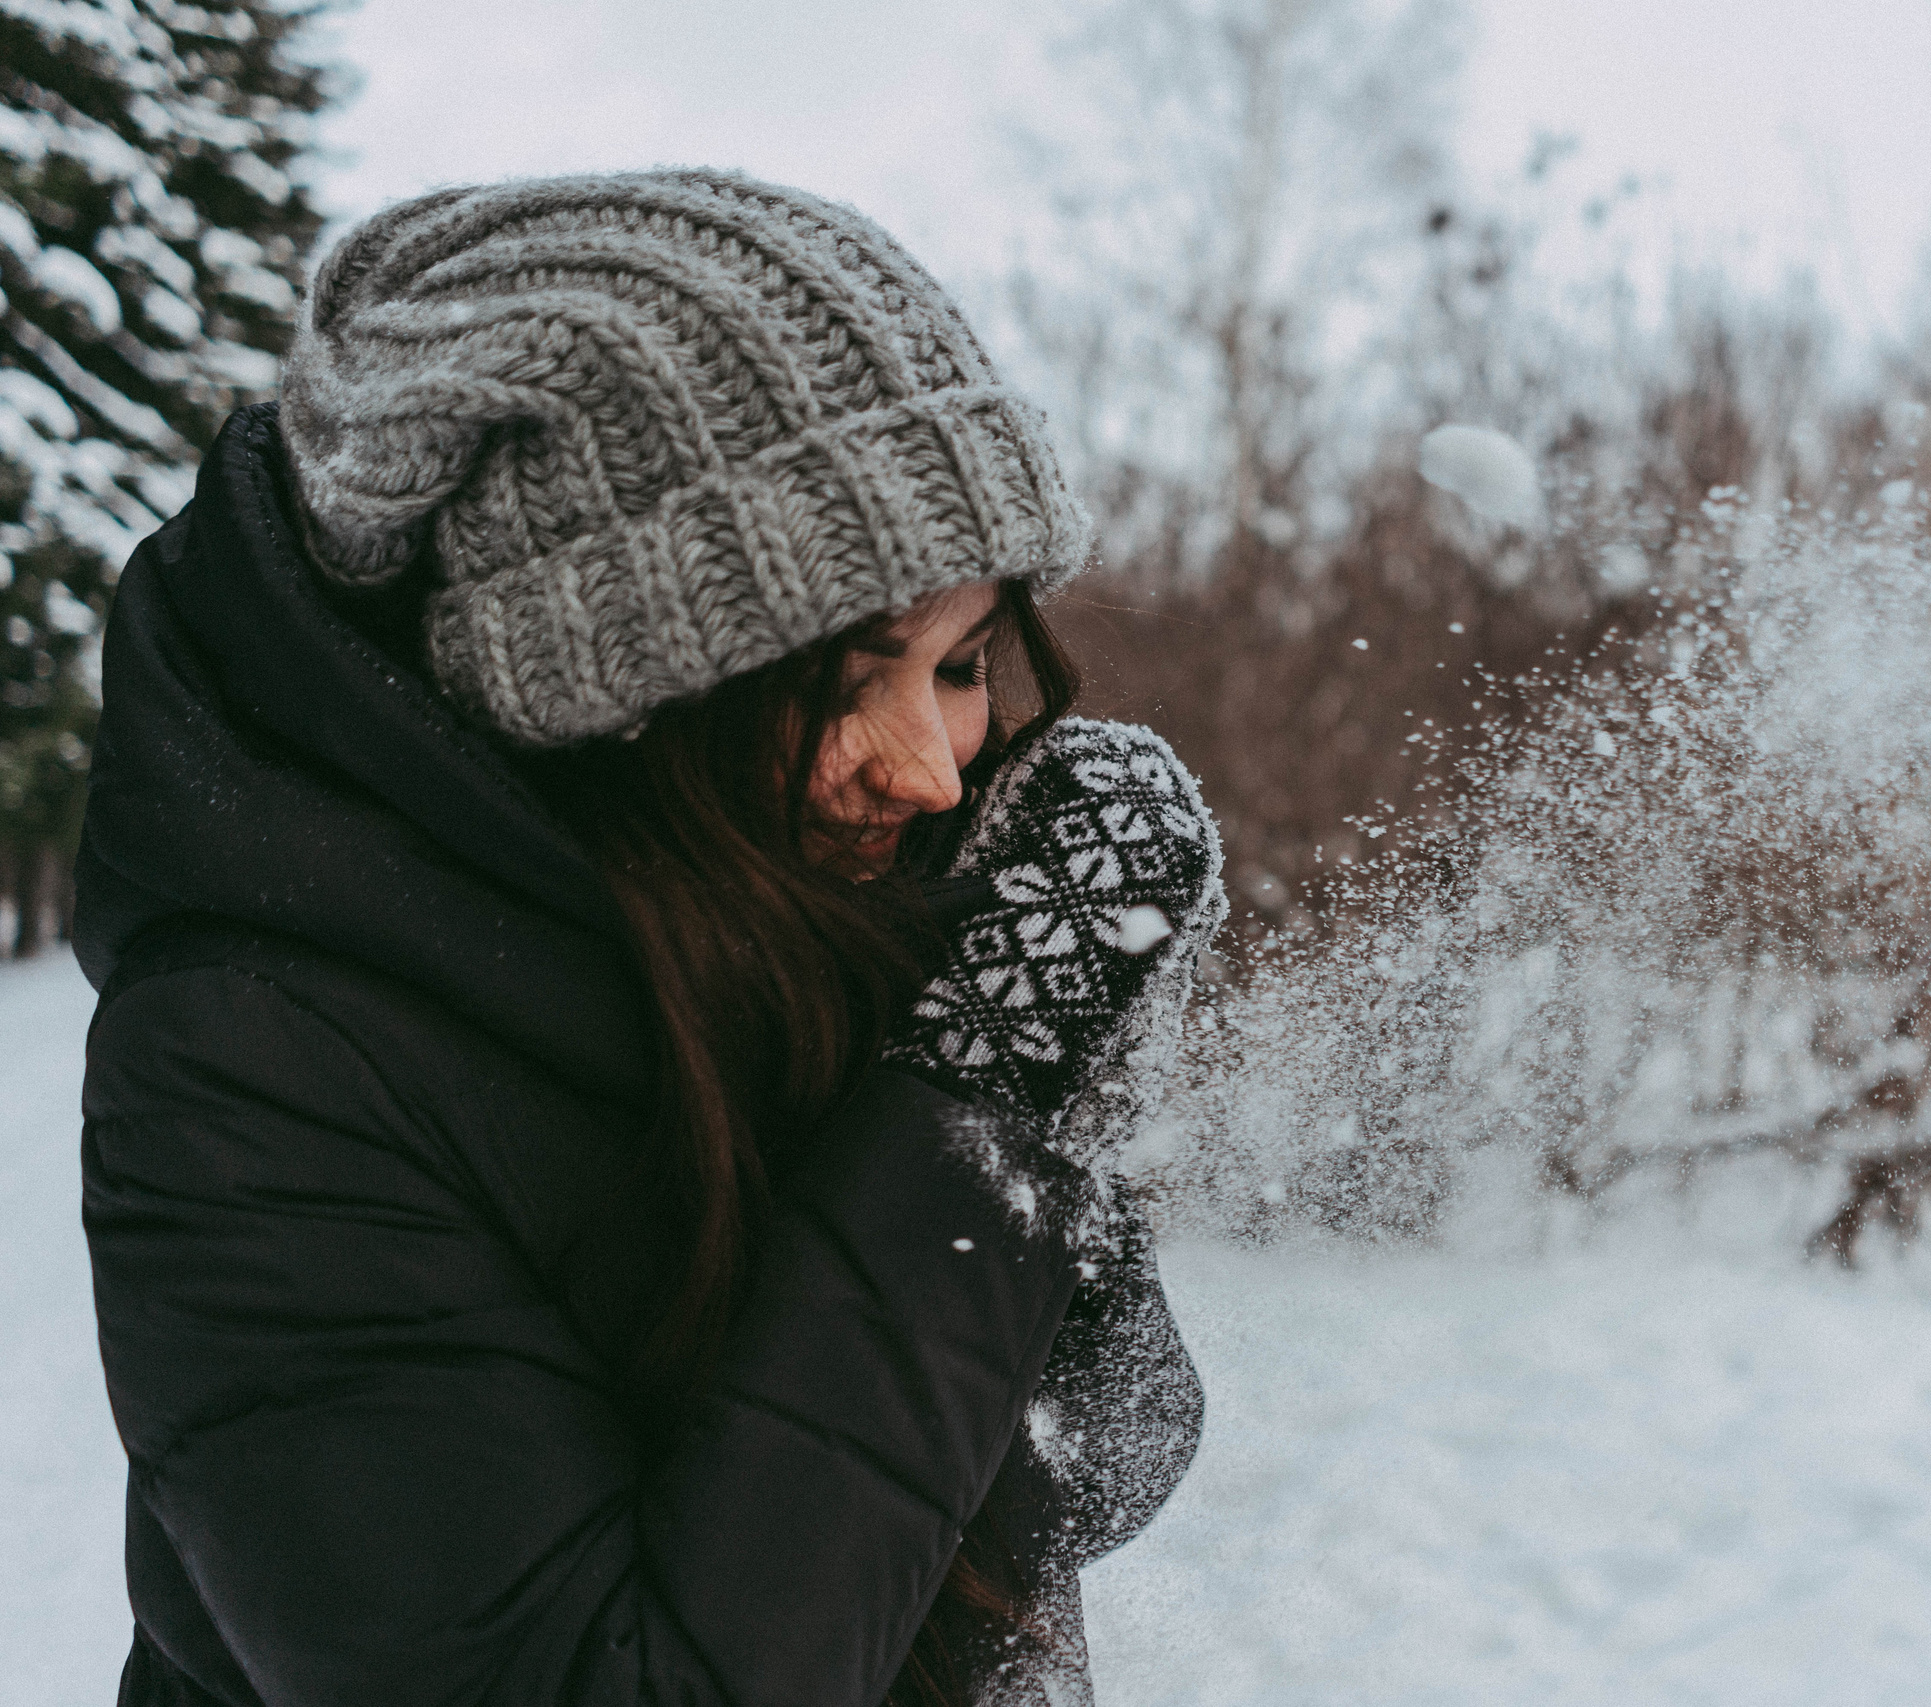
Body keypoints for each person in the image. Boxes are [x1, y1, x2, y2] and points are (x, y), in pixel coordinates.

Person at [75, 169, 1224, 1707]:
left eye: (962, 665)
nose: (934, 766)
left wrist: (1034, 1085)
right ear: (614, 688)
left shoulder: (820, 909)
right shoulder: (250, 1067)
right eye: (847, 678)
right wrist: (971, 1108)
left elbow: (1103, 1462)